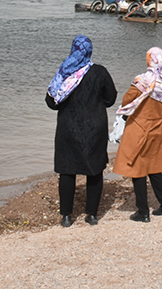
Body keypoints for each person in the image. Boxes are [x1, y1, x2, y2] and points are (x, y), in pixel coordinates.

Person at [45, 35, 117, 227]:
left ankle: (66, 216)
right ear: (89, 51)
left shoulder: (65, 72)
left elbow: (51, 102)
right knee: (95, 170)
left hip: (68, 128)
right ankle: (91, 215)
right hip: (95, 128)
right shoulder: (100, 72)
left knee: (67, 171)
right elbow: (110, 98)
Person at [113, 47, 162, 222]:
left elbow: (127, 100)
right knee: (154, 169)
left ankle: (143, 211)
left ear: (149, 59)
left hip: (140, 127)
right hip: (158, 126)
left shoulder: (143, 80)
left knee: (138, 169)